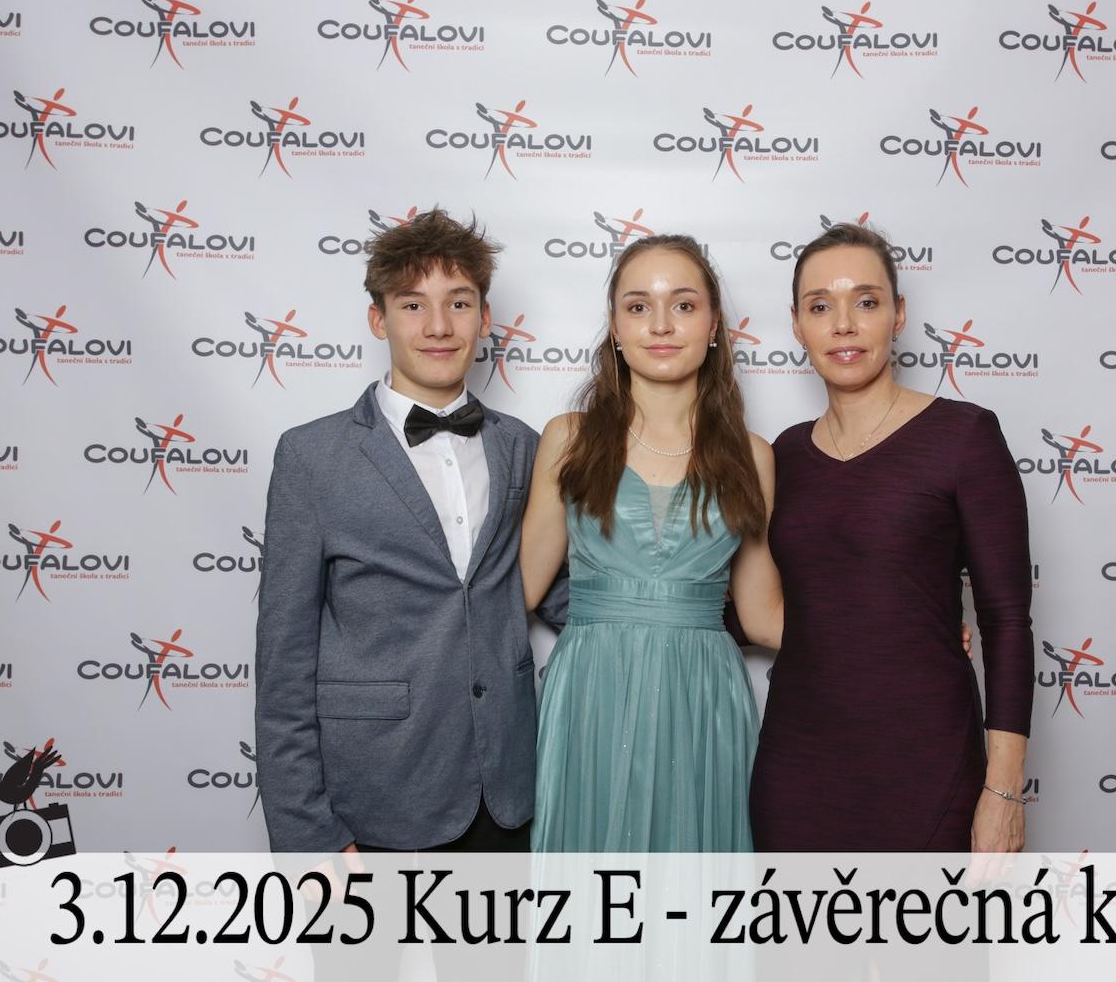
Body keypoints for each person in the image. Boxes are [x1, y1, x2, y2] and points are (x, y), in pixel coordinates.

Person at [254, 207, 565, 856]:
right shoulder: (312, 457)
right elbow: (284, 660)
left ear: (485, 317)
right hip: (372, 798)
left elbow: (563, 593)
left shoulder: (524, 447)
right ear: (379, 319)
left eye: (459, 303)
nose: (439, 326)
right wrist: (307, 836)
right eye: (413, 304)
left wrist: (700, 613)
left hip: (506, 793)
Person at [750, 222, 1034, 852]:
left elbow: (1008, 622)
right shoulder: (783, 455)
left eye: (866, 301)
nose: (843, 325)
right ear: (797, 325)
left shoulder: (964, 436)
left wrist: (1004, 790)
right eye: (819, 306)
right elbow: (760, 607)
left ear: (898, 315)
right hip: (797, 764)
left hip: (926, 761)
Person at [520, 234, 781, 852]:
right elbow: (518, 591)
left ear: (713, 325)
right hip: (592, 691)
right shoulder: (568, 439)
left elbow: (763, 615)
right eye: (638, 306)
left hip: (704, 697)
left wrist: (905, 633)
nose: (661, 324)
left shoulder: (753, 456)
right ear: (614, 327)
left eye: (683, 305)